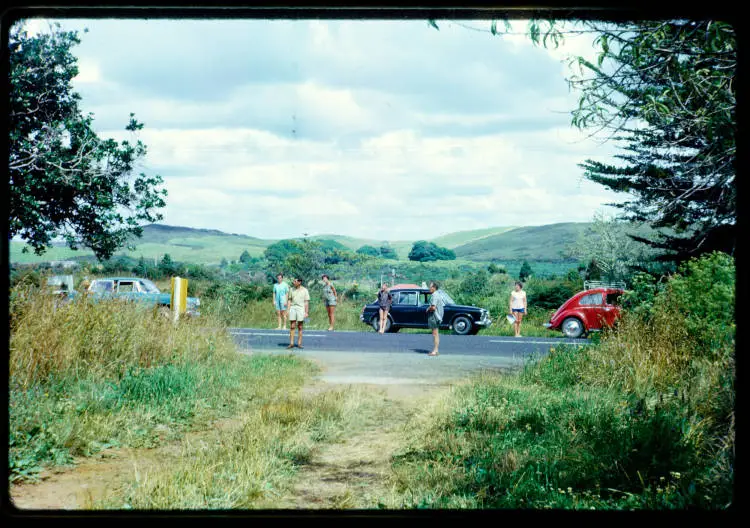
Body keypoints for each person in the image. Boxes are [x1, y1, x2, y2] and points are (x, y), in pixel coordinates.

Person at [287, 277, 310, 349]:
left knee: (300, 326)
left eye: (295, 281)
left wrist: (306, 312)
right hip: (293, 308)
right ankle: (291, 343)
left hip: (301, 308)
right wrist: (288, 310)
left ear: (299, 282)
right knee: (292, 326)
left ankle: (299, 344)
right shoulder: (291, 289)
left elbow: (306, 302)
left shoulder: (305, 290)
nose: (293, 282)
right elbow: (289, 300)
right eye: (293, 281)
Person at [426, 281, 445, 356]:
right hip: (436, 316)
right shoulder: (437, 294)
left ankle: (435, 350)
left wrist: (428, 309)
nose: (429, 288)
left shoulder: (435, 295)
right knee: (435, 334)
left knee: (435, 334)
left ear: (434, 287)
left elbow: (433, 307)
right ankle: (436, 350)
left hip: (434, 316)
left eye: (430, 287)